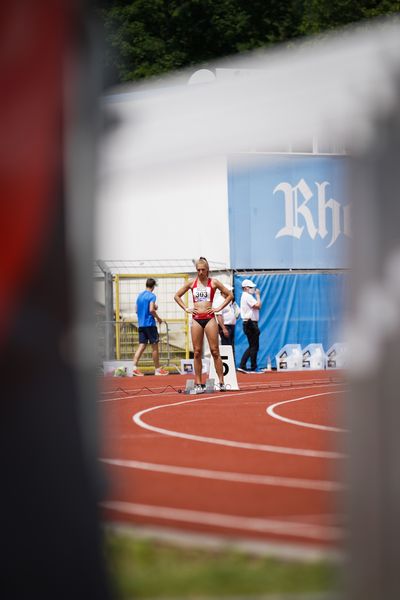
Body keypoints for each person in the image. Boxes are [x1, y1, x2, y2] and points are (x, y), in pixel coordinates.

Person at [174, 257, 233, 393]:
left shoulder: (214, 282)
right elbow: (177, 296)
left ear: (207, 270)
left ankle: (222, 382)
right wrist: (186, 308)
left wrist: (218, 308)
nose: (200, 272)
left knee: (215, 351)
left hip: (209, 318)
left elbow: (229, 295)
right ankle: (199, 383)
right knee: (197, 352)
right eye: (198, 270)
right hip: (196, 319)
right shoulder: (191, 283)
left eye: (203, 270)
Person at [132, 278, 169, 376]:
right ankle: (157, 369)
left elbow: (136, 309)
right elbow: (151, 310)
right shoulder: (152, 296)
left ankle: (134, 367)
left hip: (141, 324)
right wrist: (159, 318)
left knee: (141, 345)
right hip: (150, 324)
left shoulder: (140, 296)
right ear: (153, 286)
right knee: (155, 347)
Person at [238, 279, 262, 373]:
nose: (253, 289)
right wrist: (258, 296)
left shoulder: (246, 296)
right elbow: (258, 305)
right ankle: (252, 366)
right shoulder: (247, 296)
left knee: (253, 346)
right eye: (250, 287)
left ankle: (243, 365)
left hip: (249, 322)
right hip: (250, 322)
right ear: (245, 288)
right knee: (254, 346)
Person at [216, 285, 237, 355]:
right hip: (225, 326)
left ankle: (231, 364)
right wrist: (224, 328)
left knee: (230, 346)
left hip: (231, 326)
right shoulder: (219, 300)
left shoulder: (228, 300)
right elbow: (219, 315)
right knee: (226, 346)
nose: (230, 292)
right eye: (229, 291)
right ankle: (226, 363)